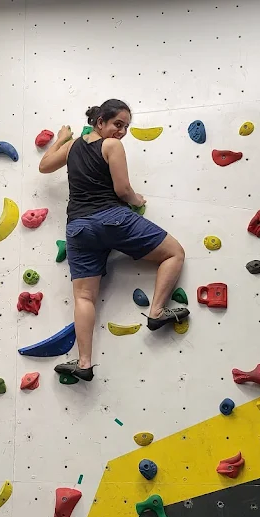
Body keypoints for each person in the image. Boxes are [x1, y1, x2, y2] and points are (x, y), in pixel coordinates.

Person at [39, 98, 187, 382]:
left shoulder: (72, 147)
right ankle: (156, 311)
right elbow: (122, 189)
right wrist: (138, 199)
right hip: (112, 218)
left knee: (83, 297)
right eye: (118, 124)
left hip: (78, 229)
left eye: (126, 127)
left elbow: (44, 166)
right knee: (174, 254)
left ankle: (83, 363)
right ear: (100, 122)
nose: (122, 132)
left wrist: (60, 139)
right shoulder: (111, 146)